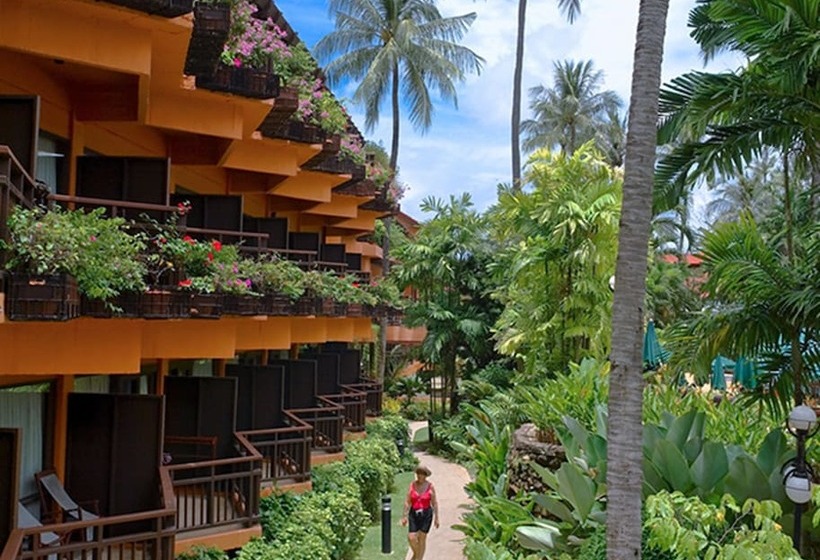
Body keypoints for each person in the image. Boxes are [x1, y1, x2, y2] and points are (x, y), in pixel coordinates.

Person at [401, 465, 439, 560]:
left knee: (422, 538)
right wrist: (404, 516)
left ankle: (418, 558)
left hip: (426, 514)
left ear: (425, 475)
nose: (419, 476)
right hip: (414, 513)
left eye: (422, 474)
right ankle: (417, 556)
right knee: (411, 538)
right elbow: (407, 501)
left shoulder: (430, 486)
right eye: (418, 473)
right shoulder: (412, 485)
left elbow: (434, 502)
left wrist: (437, 518)